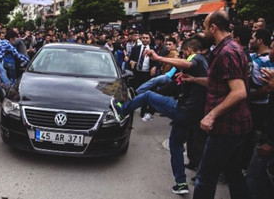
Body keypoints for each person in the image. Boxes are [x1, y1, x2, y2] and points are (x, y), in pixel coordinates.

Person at [110, 35, 209, 195]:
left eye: (183, 53)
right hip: (193, 116)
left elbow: (188, 62)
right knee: (176, 146)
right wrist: (190, 79)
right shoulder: (206, 62)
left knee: (148, 95)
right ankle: (181, 183)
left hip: (184, 110)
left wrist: (158, 57)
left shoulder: (195, 58)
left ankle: (122, 112)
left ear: (189, 50)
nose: (182, 56)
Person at [189, 11, 253, 199]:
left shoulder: (227, 52)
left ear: (213, 28)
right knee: (233, 174)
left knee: (205, 177)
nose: (204, 32)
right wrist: (193, 79)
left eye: (205, 28)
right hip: (233, 126)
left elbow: (239, 92)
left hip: (227, 127)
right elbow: (218, 82)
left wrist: (212, 115)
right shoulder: (228, 49)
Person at [246, 30, 274, 199]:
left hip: (268, 139)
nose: (269, 51)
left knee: (255, 182)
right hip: (266, 132)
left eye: (272, 48)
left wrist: (270, 141)